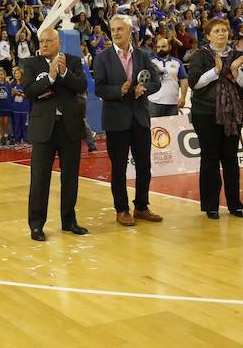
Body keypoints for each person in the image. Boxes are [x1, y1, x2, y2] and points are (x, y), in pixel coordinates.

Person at [93, 14, 164, 227]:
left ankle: (141, 207)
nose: (115, 33)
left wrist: (144, 88)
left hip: (140, 118)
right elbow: (99, 88)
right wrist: (119, 90)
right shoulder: (103, 57)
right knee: (118, 168)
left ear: (130, 30)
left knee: (144, 166)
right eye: (113, 30)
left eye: (119, 29)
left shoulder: (143, 55)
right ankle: (122, 209)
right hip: (116, 120)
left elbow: (156, 82)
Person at [22, 28, 88, 241]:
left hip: (69, 126)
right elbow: (29, 91)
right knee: (40, 178)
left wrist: (64, 73)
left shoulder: (73, 61)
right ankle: (36, 225)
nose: (44, 44)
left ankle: (69, 221)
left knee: (70, 177)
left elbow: (81, 86)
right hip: (43, 129)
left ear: (58, 42)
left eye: (48, 41)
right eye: (41, 41)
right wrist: (50, 79)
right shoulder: (31, 64)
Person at [186, 19, 243, 219]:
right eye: (217, 31)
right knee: (210, 158)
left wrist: (234, 71)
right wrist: (215, 71)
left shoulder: (238, 56)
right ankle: (211, 205)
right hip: (206, 113)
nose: (222, 33)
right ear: (208, 35)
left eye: (224, 30)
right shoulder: (200, 55)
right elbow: (194, 83)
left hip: (233, 113)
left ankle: (235, 204)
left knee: (231, 159)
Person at [148, 35, 189, 117]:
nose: (160, 49)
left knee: (172, 129)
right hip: (154, 102)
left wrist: (183, 97)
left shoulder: (177, 62)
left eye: (163, 46)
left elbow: (183, 80)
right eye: (158, 47)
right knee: (154, 129)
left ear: (169, 47)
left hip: (173, 102)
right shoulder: (150, 62)